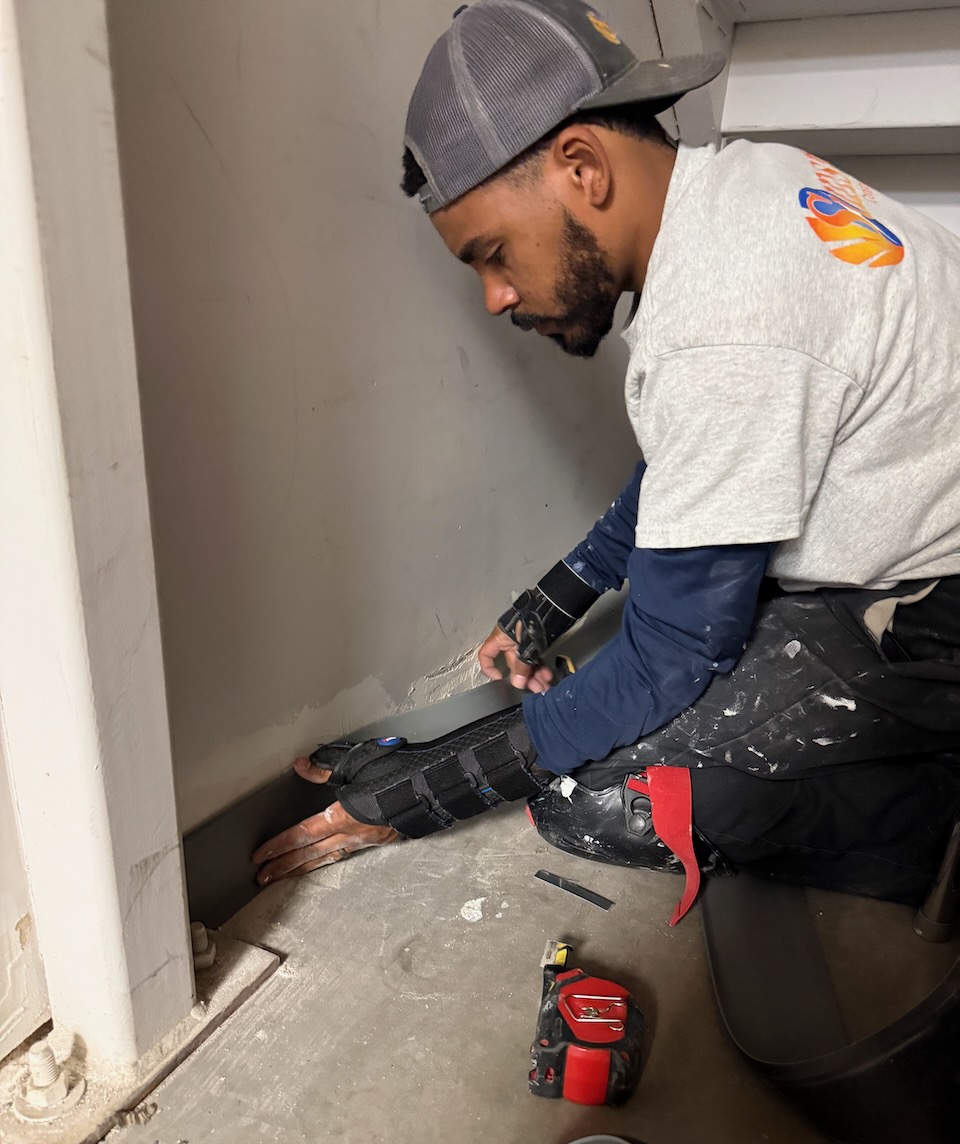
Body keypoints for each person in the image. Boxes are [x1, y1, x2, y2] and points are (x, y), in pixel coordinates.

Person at [253, 0, 960, 918]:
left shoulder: (723, 322)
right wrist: (555, 600)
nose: (496, 297)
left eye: (493, 254)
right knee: (608, 711)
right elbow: (697, 460)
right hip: (923, 540)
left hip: (938, 614)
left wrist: (424, 793)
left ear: (582, 166)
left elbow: (671, 657)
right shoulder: (748, 184)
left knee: (598, 793)